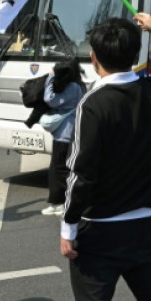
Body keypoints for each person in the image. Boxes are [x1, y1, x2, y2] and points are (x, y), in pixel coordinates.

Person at [61, 13, 151, 301]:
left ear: (93, 58)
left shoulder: (93, 104)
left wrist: (68, 226)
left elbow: (80, 174)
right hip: (143, 227)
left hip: (98, 231)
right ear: (135, 56)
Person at [39, 59, 86, 216]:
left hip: (65, 134)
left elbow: (50, 99)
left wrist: (50, 78)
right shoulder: (79, 85)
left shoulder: (72, 87)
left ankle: (59, 203)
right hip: (70, 132)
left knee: (58, 169)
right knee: (64, 168)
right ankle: (62, 201)